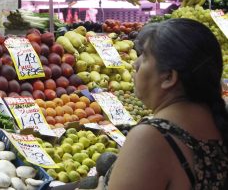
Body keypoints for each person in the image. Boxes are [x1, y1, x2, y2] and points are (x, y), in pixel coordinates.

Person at [79, 18, 228, 190]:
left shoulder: (152, 138)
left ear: (169, 78)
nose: (135, 63)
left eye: (145, 56)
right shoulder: (217, 120)